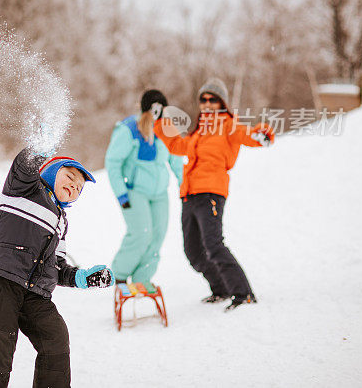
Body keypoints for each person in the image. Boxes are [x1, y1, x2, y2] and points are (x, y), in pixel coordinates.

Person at [0, 148, 113, 388]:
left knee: (55, 339)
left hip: (34, 292)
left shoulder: (61, 222)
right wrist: (40, 146)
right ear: (49, 172)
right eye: (70, 177)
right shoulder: (24, 188)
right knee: (0, 353)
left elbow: (57, 268)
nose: (74, 187)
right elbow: (23, 165)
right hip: (1, 280)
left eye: (79, 188)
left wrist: (81, 277)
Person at [154, 78, 275, 311]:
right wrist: (160, 122)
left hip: (211, 192)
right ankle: (220, 289)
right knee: (193, 251)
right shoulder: (200, 130)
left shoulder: (228, 124)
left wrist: (263, 135)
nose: (207, 104)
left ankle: (243, 293)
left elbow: (247, 135)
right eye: (203, 99)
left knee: (213, 244)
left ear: (221, 103)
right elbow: (177, 146)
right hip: (189, 194)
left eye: (213, 99)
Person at [105, 89, 183, 285]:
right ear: (146, 109)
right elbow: (113, 162)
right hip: (135, 192)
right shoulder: (129, 128)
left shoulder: (167, 129)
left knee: (157, 236)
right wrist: (121, 194)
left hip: (160, 194)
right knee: (141, 233)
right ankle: (120, 276)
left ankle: (142, 278)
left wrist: (186, 186)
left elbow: (177, 162)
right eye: (154, 109)